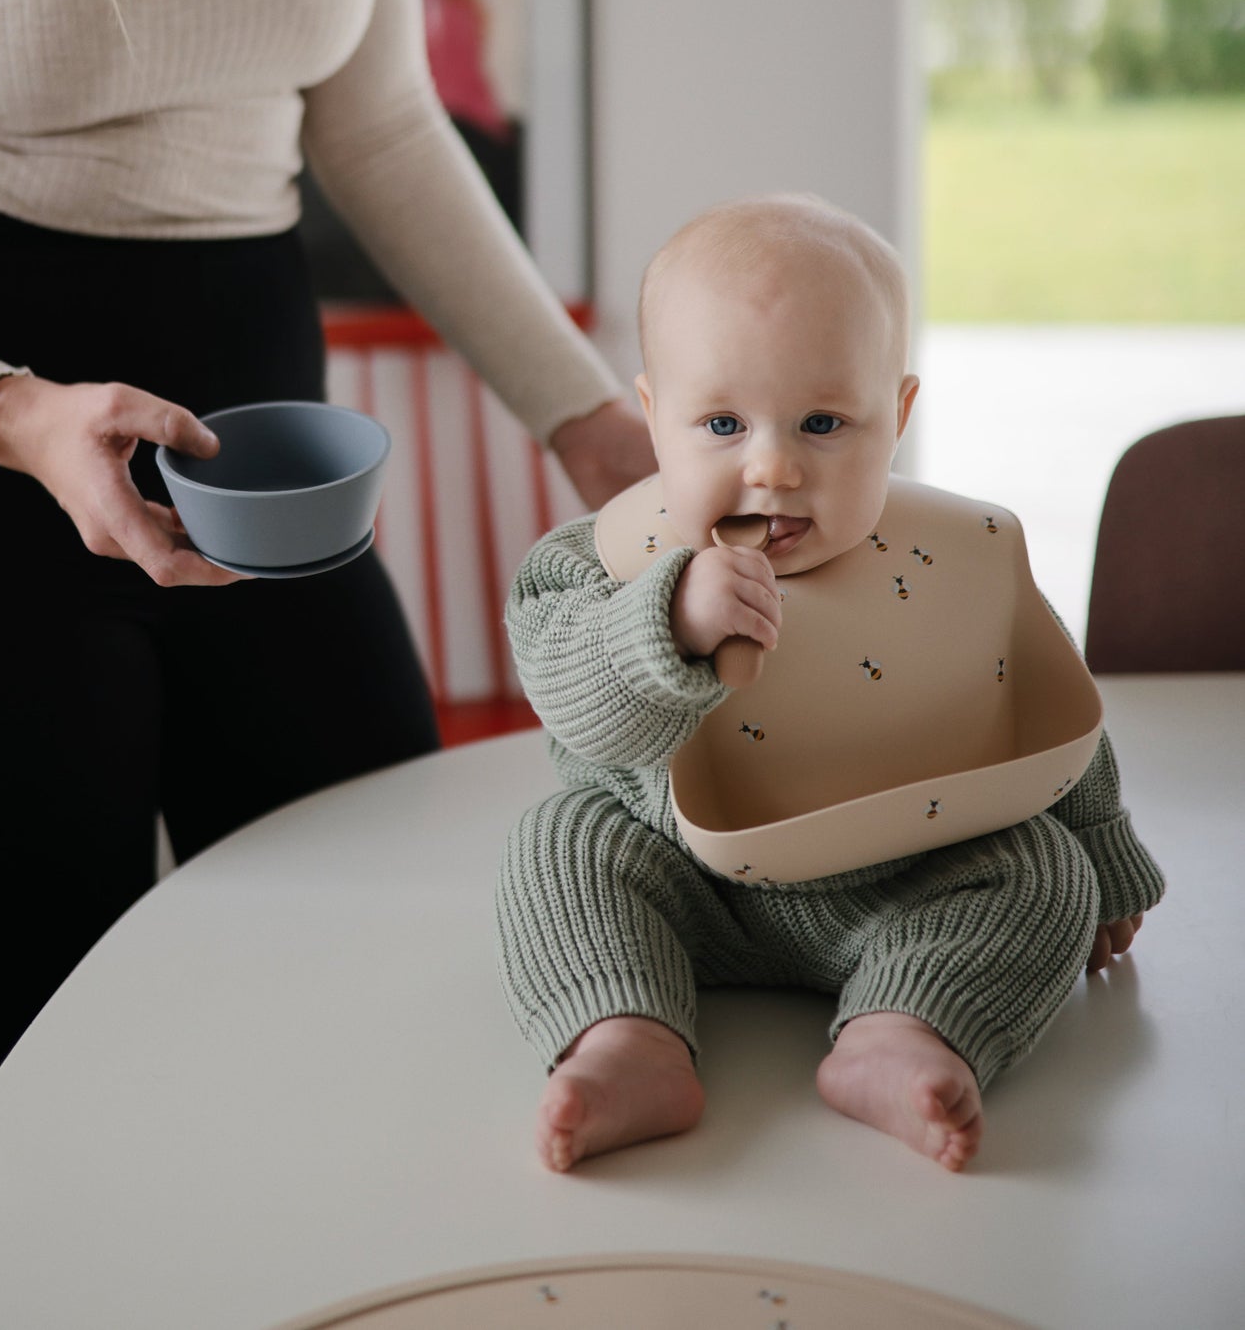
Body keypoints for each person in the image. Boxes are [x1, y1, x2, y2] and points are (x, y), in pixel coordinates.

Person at [0, 0, 653, 1147]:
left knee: (380, 956)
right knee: (36, 1026)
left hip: (256, 466)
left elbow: (387, 126)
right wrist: (17, 416)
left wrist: (586, 422)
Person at [496, 195, 1165, 1175]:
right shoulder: (601, 560)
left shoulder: (961, 554)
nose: (771, 465)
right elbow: (569, 695)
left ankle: (903, 1031)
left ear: (892, 415)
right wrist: (666, 623)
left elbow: (1035, 700)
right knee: (558, 844)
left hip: (910, 875)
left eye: (820, 422)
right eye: (720, 422)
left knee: (1039, 873)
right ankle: (624, 1035)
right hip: (677, 878)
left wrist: (1102, 845)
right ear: (652, 414)